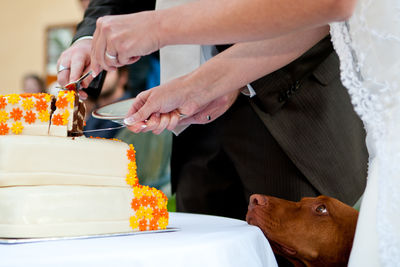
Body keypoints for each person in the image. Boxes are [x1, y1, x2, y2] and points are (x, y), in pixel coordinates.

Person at [84, 0, 398, 266]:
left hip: (297, 116)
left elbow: (330, 6)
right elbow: (313, 23)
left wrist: (160, 27)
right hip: (199, 131)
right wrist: (198, 85)